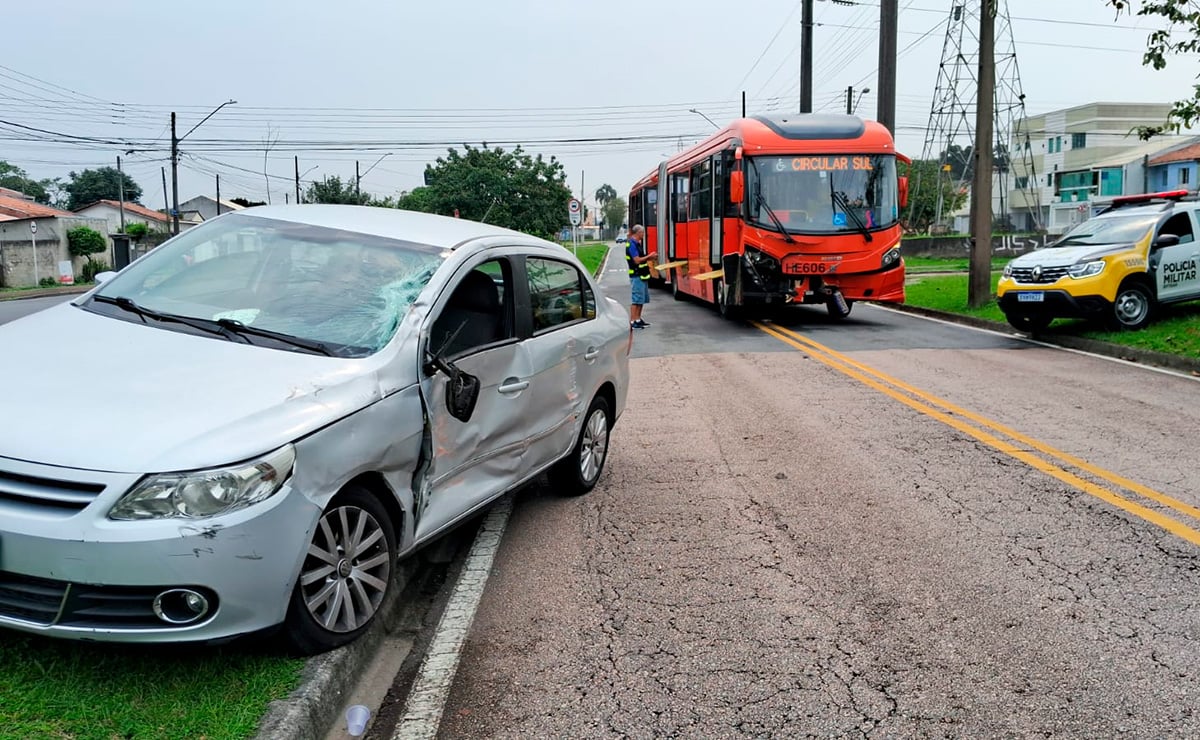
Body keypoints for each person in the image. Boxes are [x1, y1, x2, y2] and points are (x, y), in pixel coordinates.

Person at [625, 224, 656, 328]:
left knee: (641, 299)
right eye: (642, 232)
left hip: (642, 274)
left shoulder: (637, 243)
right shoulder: (632, 244)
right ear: (638, 233)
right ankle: (633, 321)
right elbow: (637, 260)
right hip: (636, 275)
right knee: (636, 299)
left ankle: (638, 319)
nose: (644, 234)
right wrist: (649, 257)